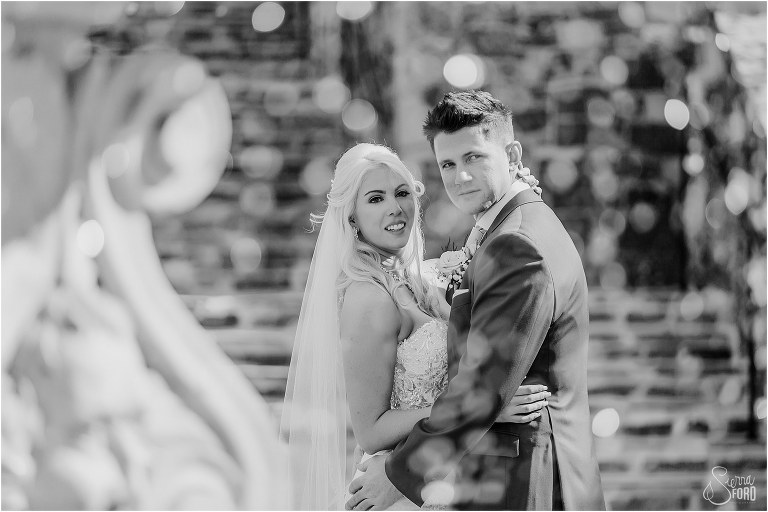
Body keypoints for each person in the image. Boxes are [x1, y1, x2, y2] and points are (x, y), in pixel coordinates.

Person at [345, 91, 606, 510]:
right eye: (447, 164)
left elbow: (484, 388)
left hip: (527, 479)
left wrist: (398, 477)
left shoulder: (517, 244)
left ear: (512, 154)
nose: (460, 177)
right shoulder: (510, 227)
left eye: (474, 158)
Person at [280, 142, 548, 510]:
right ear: (352, 217)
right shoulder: (368, 297)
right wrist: (481, 410)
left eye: (402, 193)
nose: (395, 207)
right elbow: (371, 431)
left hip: (444, 480)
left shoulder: (418, 280)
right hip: (400, 490)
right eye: (376, 199)